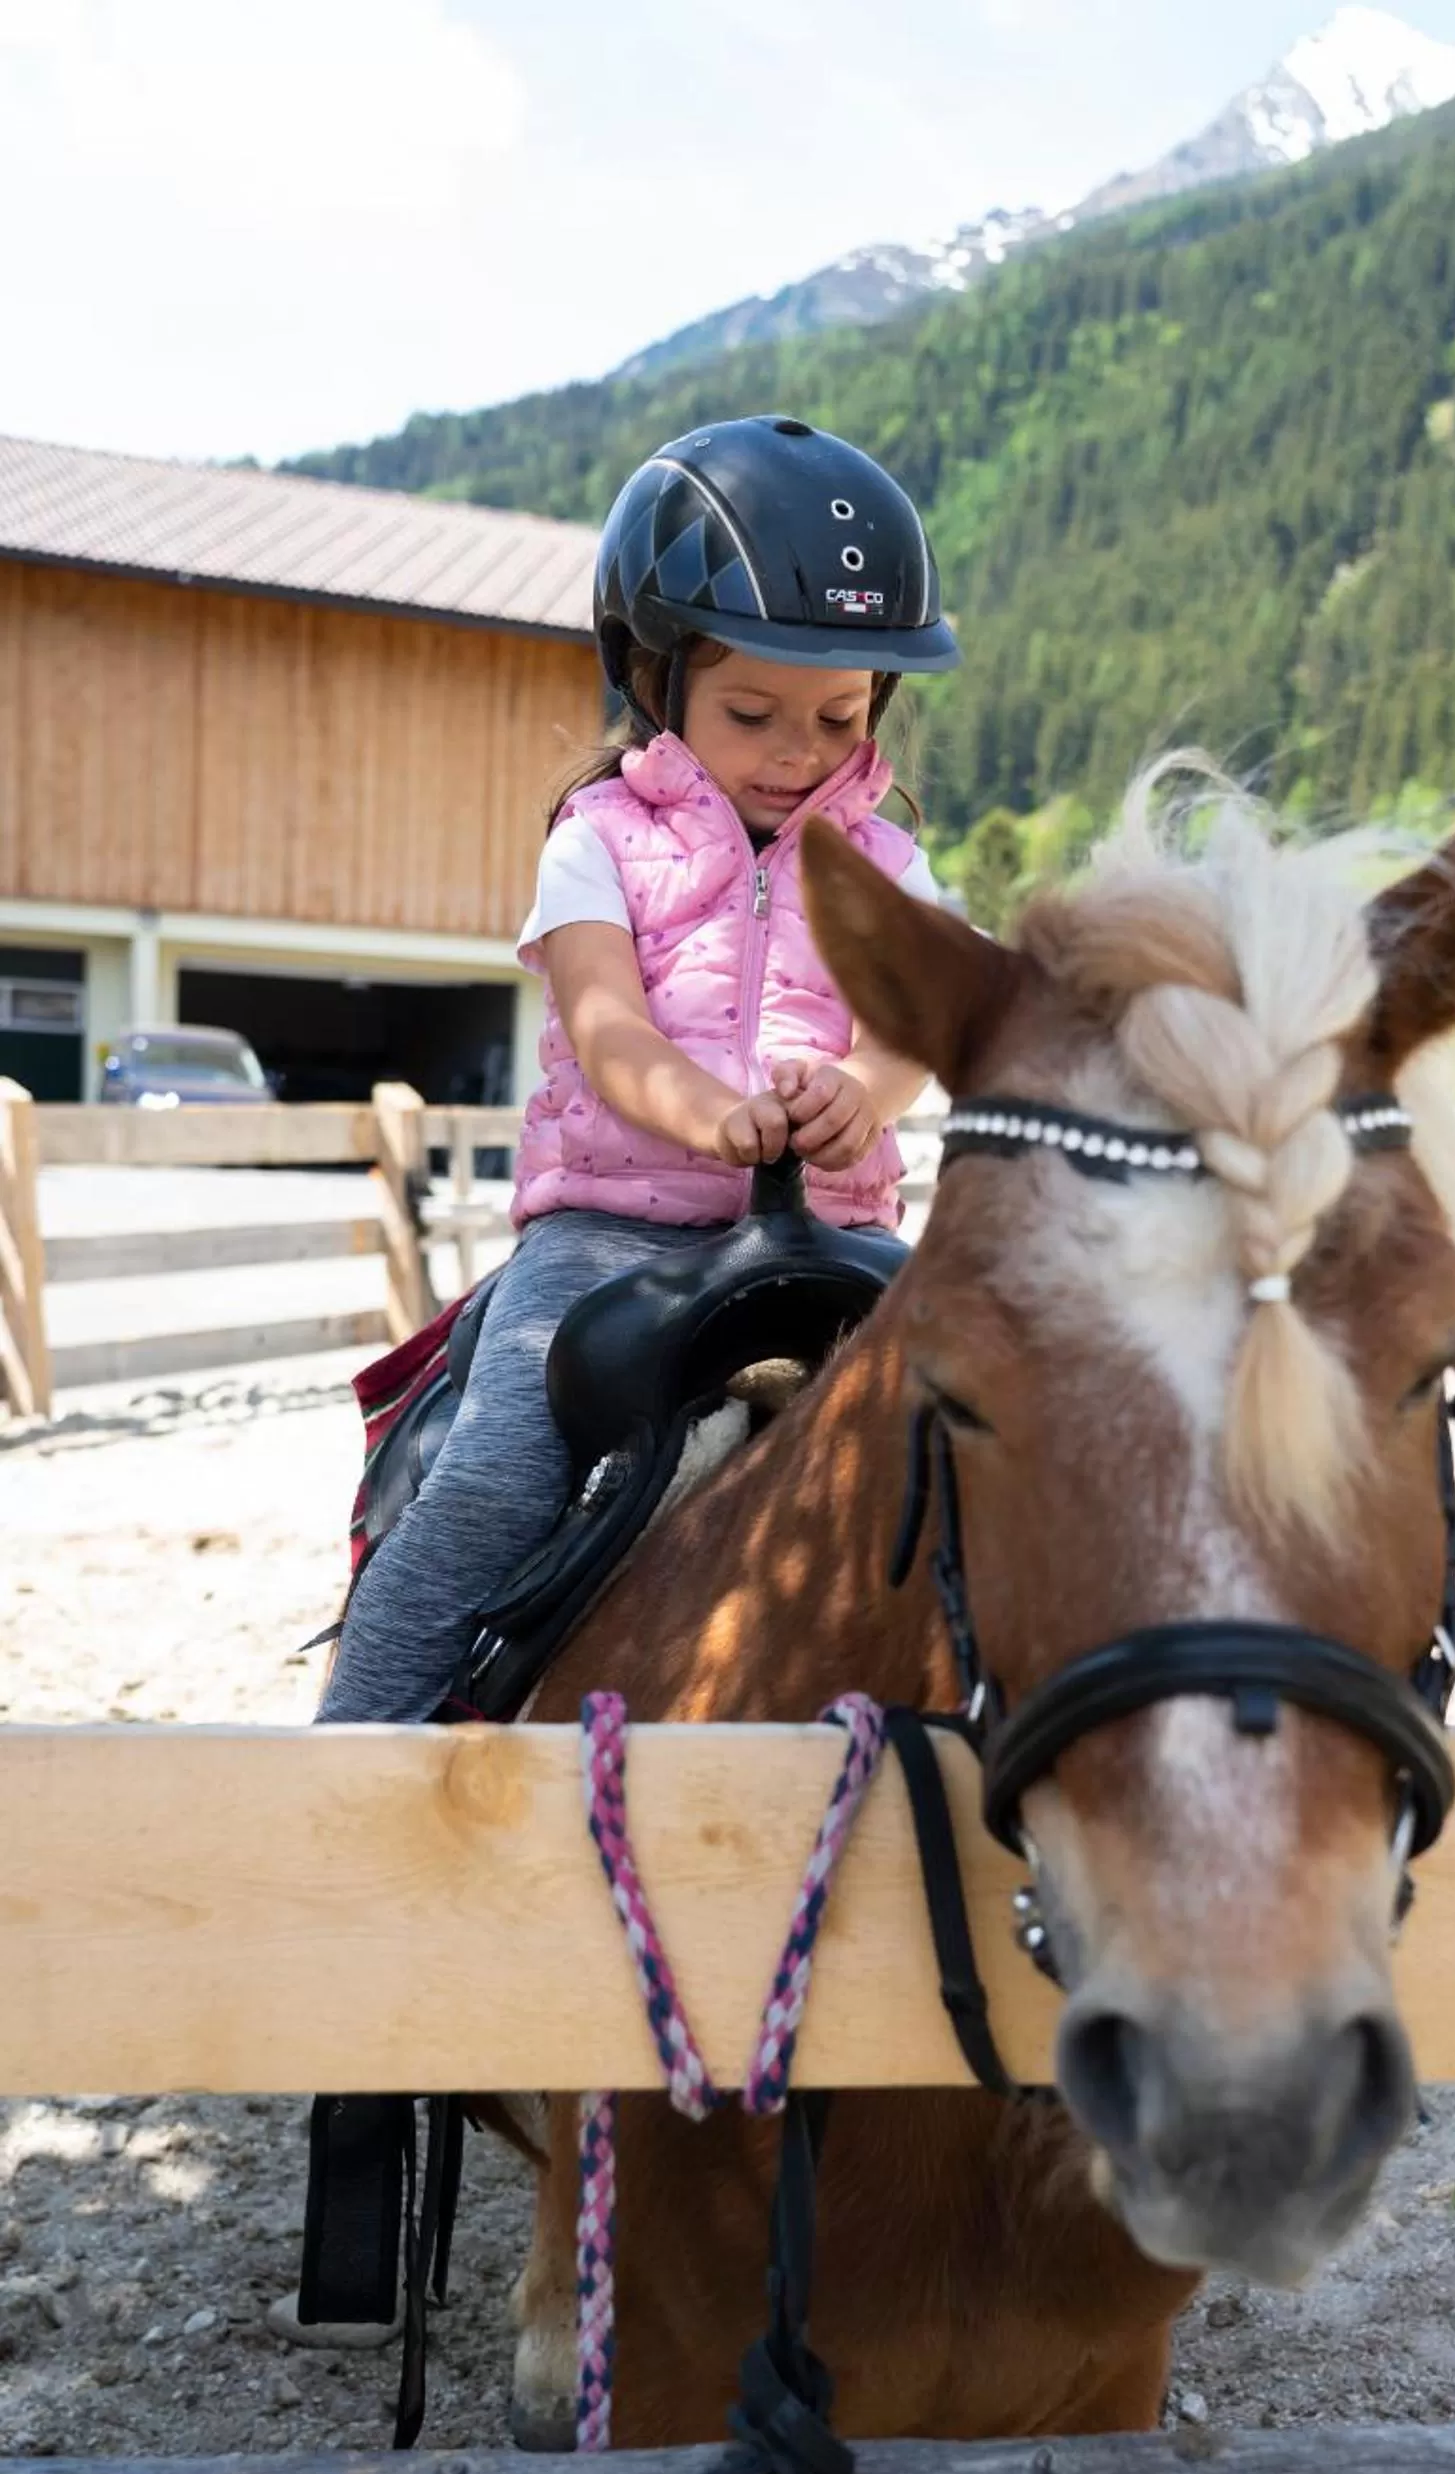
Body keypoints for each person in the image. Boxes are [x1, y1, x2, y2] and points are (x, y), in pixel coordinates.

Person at [274, 415, 958, 2348]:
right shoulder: (600, 837)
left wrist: (865, 1091)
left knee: (975, 1440)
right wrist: (714, 1102)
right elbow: (600, 1028)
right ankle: (355, 1786)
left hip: (829, 1238)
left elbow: (918, 1037)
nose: (809, 752)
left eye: (840, 715)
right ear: (652, 678)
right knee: (505, 1457)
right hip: (624, 1234)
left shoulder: (882, 847)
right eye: (760, 714)